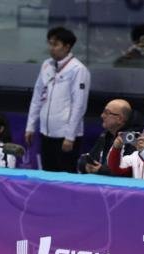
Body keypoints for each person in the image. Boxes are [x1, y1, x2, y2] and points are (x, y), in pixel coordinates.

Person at [25, 26, 90, 173]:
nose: (51, 48)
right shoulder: (46, 65)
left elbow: (79, 105)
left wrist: (70, 136)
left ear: (67, 46)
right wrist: (30, 126)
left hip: (65, 135)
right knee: (47, 174)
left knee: (65, 176)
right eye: (50, 44)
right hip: (46, 132)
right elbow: (37, 96)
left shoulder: (78, 70)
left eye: (55, 44)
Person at [78, 99, 135, 175]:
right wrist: (86, 164)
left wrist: (102, 170)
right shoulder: (105, 135)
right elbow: (91, 157)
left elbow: (128, 169)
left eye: (107, 113)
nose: (102, 116)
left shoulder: (131, 138)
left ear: (120, 119)